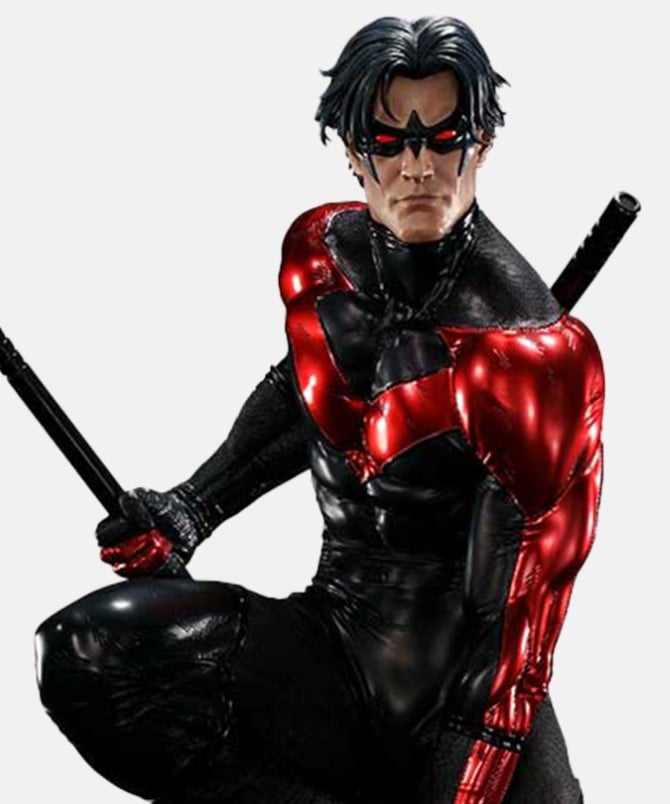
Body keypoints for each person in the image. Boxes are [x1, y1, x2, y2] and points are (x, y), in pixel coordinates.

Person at [35, 16, 602, 804]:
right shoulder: (321, 257)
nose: (417, 167)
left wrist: (467, 785)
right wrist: (192, 509)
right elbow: (303, 390)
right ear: (352, 150)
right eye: (389, 141)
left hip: (469, 692)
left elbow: (508, 660)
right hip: (335, 642)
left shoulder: (535, 360)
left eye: (444, 138)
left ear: (483, 144)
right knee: (84, 653)